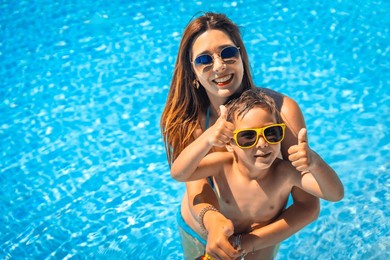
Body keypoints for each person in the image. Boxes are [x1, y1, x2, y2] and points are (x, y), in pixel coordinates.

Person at [161, 12, 326, 259]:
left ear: (241, 56)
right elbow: (196, 186)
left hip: (261, 237)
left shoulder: (281, 112)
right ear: (192, 71)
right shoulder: (187, 119)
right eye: (204, 59)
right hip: (201, 231)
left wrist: (248, 242)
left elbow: (308, 205)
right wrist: (214, 223)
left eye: (228, 53)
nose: (219, 66)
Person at [171, 89, 344, 259]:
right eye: (248, 137)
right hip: (211, 237)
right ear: (230, 144)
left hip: (257, 243)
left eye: (271, 133)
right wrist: (208, 138)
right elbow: (179, 173)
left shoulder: (285, 173)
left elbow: (335, 194)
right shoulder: (223, 164)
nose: (262, 143)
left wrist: (316, 162)